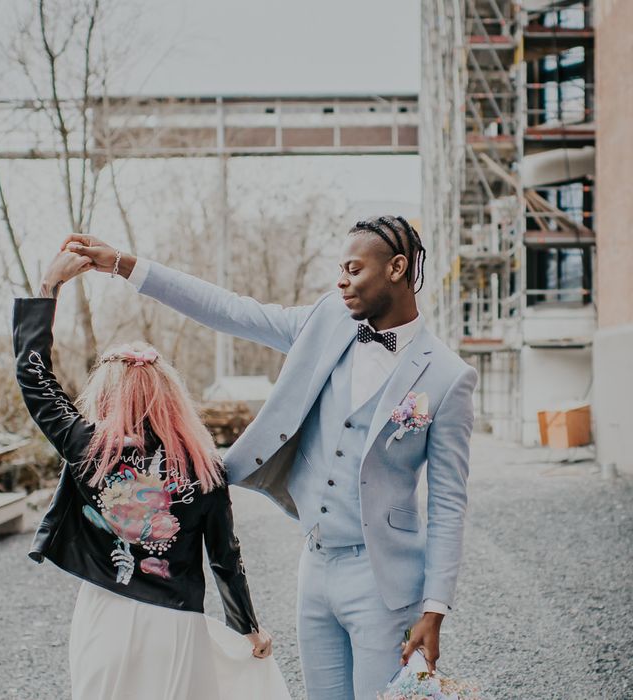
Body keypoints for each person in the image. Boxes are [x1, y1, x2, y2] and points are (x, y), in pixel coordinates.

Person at [64, 214, 477, 699]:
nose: (341, 281)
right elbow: (230, 310)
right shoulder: (326, 322)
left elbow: (449, 503)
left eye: (353, 269)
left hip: (383, 582)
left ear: (397, 268)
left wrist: (434, 609)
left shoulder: (448, 377)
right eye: (339, 270)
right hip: (316, 566)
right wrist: (123, 265)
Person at [12, 250, 289, 700]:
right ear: (172, 398)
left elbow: (33, 376)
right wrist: (248, 628)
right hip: (176, 624)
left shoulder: (88, 448)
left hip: (105, 616)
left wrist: (48, 289)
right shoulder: (204, 468)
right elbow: (224, 557)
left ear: (105, 396)